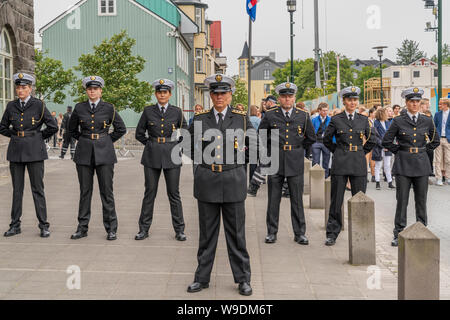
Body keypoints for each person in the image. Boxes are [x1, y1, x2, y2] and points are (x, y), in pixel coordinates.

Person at [187, 74, 254, 296]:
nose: (219, 97)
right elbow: (188, 147)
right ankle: (202, 278)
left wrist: (242, 170)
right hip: (207, 181)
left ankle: (243, 279)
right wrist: (198, 169)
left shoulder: (242, 119)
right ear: (210, 96)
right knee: (207, 235)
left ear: (230, 94)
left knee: (236, 235)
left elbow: (254, 148)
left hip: (233, 181)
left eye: (223, 93)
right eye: (215, 93)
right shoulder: (199, 119)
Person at [68, 76, 127, 241]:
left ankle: (111, 228)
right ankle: (82, 227)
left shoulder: (109, 108)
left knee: (106, 192)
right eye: (89, 89)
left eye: (95, 88)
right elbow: (71, 129)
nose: (92, 91)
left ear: (101, 90)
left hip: (105, 153)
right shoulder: (79, 108)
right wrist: (85, 139)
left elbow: (120, 129)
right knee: (85, 192)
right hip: (84, 153)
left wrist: (107, 141)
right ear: (86, 91)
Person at [0, 73, 58, 237]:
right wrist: (16, 135)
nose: (20, 90)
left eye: (24, 87)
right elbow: (2, 126)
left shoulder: (38, 105)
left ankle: (43, 225)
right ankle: (15, 225)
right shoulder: (11, 106)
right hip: (16, 151)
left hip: (35, 152)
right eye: (18, 87)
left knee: (38, 189)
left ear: (30, 88)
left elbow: (53, 126)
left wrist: (37, 138)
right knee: (17, 190)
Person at [259, 82, 316, 245]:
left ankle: (300, 233)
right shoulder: (270, 115)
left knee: (297, 199)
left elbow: (311, 137)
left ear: (294, 98)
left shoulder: (303, 115)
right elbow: (261, 136)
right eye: (284, 96)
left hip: (295, 160)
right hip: (276, 159)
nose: (287, 99)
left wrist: (298, 149)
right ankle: (271, 232)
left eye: (290, 96)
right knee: (273, 199)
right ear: (279, 98)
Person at [382, 87, 440, 247]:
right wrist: (400, 152)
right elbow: (386, 141)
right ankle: (398, 233)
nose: (414, 104)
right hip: (403, 165)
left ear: (420, 103)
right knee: (402, 201)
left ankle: (422, 230)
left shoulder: (427, 120)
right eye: (411, 102)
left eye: (417, 102)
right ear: (406, 103)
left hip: (421, 165)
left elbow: (435, 141)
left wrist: (422, 151)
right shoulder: (398, 121)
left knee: (421, 200)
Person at [134, 79, 187, 241]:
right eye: (159, 92)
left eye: (165, 92)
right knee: (149, 193)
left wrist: (178, 147)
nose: (162, 95)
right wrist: (151, 144)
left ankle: (179, 230)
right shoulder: (148, 111)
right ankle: (143, 229)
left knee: (174, 194)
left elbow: (185, 132)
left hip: (172, 154)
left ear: (170, 94)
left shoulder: (176, 112)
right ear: (156, 94)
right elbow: (139, 133)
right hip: (152, 155)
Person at [323, 86, 376, 246]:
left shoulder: (363, 119)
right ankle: (332, 232)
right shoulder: (336, 119)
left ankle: (360, 231)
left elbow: (372, 139)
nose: (352, 102)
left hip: (358, 162)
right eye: (349, 100)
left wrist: (361, 152)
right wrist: (338, 151)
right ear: (344, 101)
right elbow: (326, 139)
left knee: (359, 199)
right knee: (336, 199)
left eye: (354, 100)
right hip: (341, 161)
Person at [373, 108, 395, 190]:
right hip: (379, 147)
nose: (387, 114)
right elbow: (375, 136)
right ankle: (377, 182)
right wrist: (383, 145)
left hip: (387, 147)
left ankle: (390, 182)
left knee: (387, 165)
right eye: (386, 112)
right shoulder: (376, 123)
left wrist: (388, 145)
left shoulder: (388, 122)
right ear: (382, 113)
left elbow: (391, 135)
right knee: (378, 165)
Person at [311, 102, 331, 178]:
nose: (325, 112)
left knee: (326, 161)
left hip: (326, 143)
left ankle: (325, 178)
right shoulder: (314, 120)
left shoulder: (331, 119)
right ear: (319, 111)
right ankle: (315, 178)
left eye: (326, 110)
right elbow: (311, 131)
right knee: (316, 161)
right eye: (323, 110)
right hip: (316, 142)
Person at [433, 98, 450, 186]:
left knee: (448, 160)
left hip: (448, 139)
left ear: (446, 105)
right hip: (439, 139)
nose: (439, 106)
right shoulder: (437, 114)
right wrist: (436, 137)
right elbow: (434, 126)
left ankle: (448, 177)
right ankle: (438, 178)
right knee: (438, 159)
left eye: (441, 104)